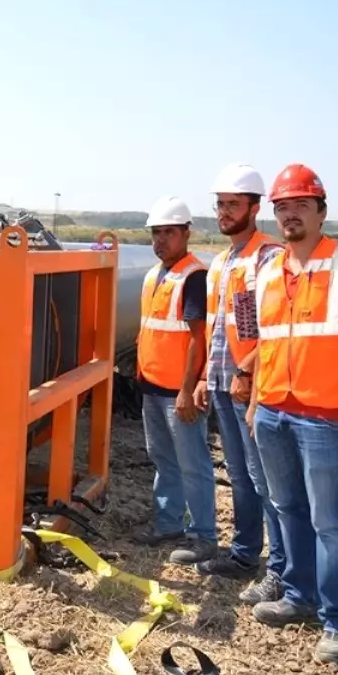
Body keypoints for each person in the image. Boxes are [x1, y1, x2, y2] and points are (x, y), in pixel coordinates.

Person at [247, 164, 338, 665]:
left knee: (330, 520)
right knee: (288, 510)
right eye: (282, 207)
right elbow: (267, 343)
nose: (290, 215)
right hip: (274, 411)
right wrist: (257, 401)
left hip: (326, 417)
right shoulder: (268, 269)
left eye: (300, 205)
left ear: (321, 211)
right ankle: (298, 596)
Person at [191, 165, 285, 604]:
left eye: (233, 205)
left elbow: (272, 327)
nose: (224, 213)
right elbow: (217, 328)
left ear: (255, 207)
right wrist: (204, 378)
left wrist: (250, 375)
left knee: (265, 478)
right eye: (220, 205)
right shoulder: (222, 262)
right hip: (225, 384)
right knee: (240, 473)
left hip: (255, 386)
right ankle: (246, 554)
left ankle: (281, 569)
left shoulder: (269, 256)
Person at [134, 195, 219, 566]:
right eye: (156, 233)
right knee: (163, 460)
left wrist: (188, 389)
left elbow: (198, 338)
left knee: (192, 464)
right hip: (152, 388)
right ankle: (169, 524)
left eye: (169, 232)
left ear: (186, 233)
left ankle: (203, 537)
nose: (161, 240)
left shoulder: (194, 276)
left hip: (177, 393)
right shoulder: (156, 275)